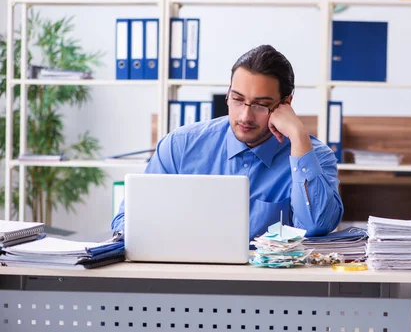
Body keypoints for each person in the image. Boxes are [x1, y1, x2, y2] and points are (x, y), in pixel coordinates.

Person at [111, 44, 343, 239]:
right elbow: (126, 220)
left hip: (269, 285)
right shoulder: (180, 146)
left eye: (261, 105)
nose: (245, 116)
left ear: (286, 103)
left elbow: (316, 226)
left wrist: (299, 137)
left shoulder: (315, 157)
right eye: (238, 100)